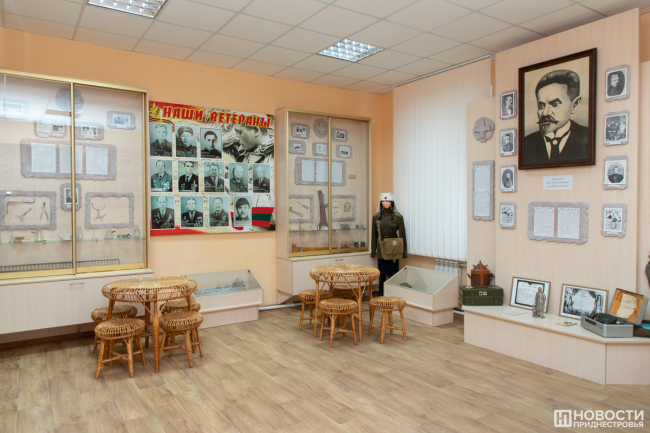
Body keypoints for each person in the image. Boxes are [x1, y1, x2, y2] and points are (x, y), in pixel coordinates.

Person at [523, 69, 589, 164]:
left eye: (555, 104)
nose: (545, 113)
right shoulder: (527, 143)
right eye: (541, 106)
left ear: (574, 105)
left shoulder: (587, 137)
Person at [371, 193, 407, 297]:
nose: (385, 203)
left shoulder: (398, 217)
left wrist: (404, 252)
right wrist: (373, 251)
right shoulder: (376, 217)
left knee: (393, 273)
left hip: (393, 248)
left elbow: (402, 235)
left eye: (387, 201)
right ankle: (381, 294)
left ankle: (392, 294)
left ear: (391, 203)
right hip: (381, 247)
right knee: (382, 272)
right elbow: (374, 235)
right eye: (383, 201)